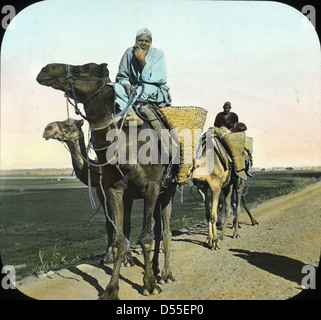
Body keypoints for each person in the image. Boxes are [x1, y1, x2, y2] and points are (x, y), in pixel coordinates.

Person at [114, 28, 171, 115]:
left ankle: (130, 112)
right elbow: (122, 76)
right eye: (140, 40)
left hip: (152, 87)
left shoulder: (158, 53)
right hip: (133, 87)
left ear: (150, 42)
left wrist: (142, 61)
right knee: (116, 87)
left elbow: (159, 78)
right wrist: (126, 85)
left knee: (140, 91)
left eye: (146, 41)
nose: (143, 43)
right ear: (136, 41)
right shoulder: (129, 52)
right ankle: (130, 112)